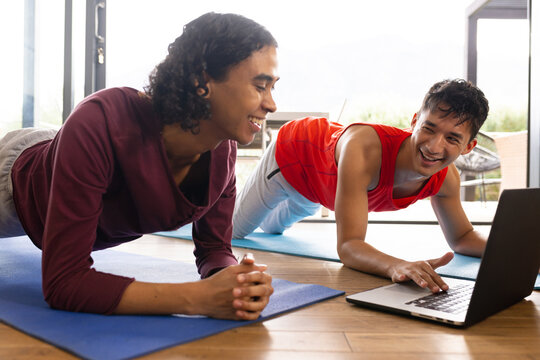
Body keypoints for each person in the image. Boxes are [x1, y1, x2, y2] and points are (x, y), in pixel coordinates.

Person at [0, 12, 279, 319]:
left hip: (67, 149)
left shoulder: (222, 152)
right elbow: (63, 282)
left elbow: (215, 251)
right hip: (15, 181)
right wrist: (198, 298)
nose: (271, 104)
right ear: (203, 82)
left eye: (272, 87)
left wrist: (237, 285)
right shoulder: (102, 124)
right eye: (260, 86)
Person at [233, 79, 489, 294]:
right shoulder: (364, 149)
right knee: (234, 230)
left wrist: (522, 254)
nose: (434, 146)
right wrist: (397, 265)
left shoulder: (446, 178)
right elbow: (349, 246)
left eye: (452, 138)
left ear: (468, 147)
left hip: (317, 191)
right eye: (428, 129)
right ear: (414, 122)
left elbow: (462, 237)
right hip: (292, 158)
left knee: (272, 229)